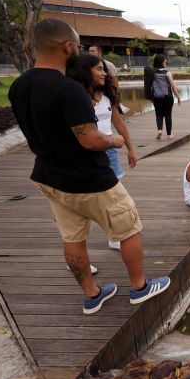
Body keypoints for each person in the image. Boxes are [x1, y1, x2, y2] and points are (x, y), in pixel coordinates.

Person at [8, 19, 170, 315]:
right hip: (89, 179)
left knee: (72, 238)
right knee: (128, 226)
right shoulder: (67, 89)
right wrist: (117, 140)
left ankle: (92, 295)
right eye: (77, 45)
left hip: (48, 176)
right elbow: (89, 139)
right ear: (67, 47)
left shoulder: (19, 86)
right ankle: (140, 287)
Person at [67, 52, 137, 251]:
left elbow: (118, 122)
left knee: (114, 195)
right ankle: (79, 246)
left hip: (109, 149)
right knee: (83, 199)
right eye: (99, 69)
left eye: (104, 69)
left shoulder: (107, 95)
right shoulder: (76, 97)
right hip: (85, 151)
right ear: (84, 71)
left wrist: (131, 148)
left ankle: (115, 235)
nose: (104, 73)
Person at [151, 54, 181, 140]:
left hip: (156, 97)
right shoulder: (167, 73)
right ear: (161, 62)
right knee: (168, 115)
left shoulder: (152, 73)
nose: (166, 62)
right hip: (167, 97)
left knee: (159, 115)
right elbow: (173, 86)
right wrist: (178, 97)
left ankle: (160, 130)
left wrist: (150, 97)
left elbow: (149, 86)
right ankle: (169, 134)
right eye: (165, 61)